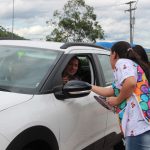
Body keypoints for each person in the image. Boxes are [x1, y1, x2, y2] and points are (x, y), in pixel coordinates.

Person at [91, 41, 150, 150]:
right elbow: (110, 91)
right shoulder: (131, 65)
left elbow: (131, 83)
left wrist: (117, 100)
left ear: (114, 54)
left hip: (137, 124)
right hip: (142, 122)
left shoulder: (122, 62)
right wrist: (89, 86)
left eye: (110, 55)